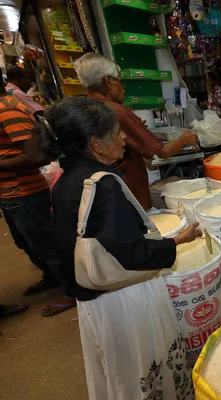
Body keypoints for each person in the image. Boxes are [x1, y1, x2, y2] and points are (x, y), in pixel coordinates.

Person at [40, 97, 198, 399]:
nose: (124, 137)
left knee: (116, 368)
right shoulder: (103, 186)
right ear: (96, 144)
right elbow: (134, 256)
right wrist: (177, 241)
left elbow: (62, 246)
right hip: (124, 299)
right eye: (116, 133)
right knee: (142, 361)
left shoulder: (66, 179)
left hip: (94, 300)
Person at [73, 53, 199, 210]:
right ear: (108, 81)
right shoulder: (116, 112)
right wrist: (184, 139)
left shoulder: (85, 107)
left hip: (102, 187)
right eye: (119, 80)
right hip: (127, 186)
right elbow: (163, 152)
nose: (123, 88)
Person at [0, 76, 76, 316]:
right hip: (9, 193)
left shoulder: (7, 110)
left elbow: (36, 157)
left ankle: (72, 292)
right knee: (26, 242)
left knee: (48, 244)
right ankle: (52, 278)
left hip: (25, 192)